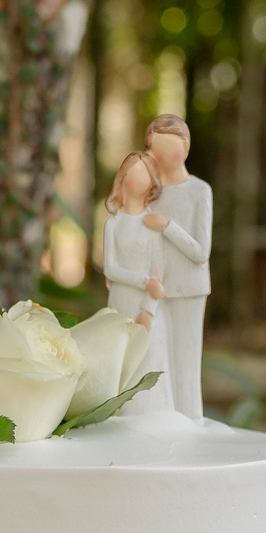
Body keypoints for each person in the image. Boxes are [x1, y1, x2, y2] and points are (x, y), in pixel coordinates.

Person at [140, 114, 212, 421]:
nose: (164, 156)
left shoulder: (199, 191)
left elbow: (201, 251)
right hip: (154, 287)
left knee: (185, 358)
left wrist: (167, 226)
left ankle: (191, 419)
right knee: (155, 357)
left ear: (186, 148)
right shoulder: (150, 192)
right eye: (157, 149)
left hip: (188, 288)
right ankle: (161, 419)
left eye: (172, 147)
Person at [101, 150, 174, 417]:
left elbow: (159, 273)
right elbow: (111, 268)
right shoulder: (114, 224)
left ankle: (149, 415)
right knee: (120, 357)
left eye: (142, 174)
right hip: (121, 300)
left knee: (147, 358)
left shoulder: (152, 224)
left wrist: (149, 308)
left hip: (145, 307)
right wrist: (143, 281)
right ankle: (117, 413)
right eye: (131, 174)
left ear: (152, 182)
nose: (136, 180)